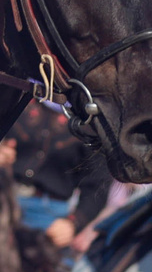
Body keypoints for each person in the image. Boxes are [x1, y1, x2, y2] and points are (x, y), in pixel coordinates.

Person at [10, 98, 110, 251]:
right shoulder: (22, 96)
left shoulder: (90, 120)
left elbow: (97, 186)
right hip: (1, 195)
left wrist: (73, 223)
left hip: (48, 215)